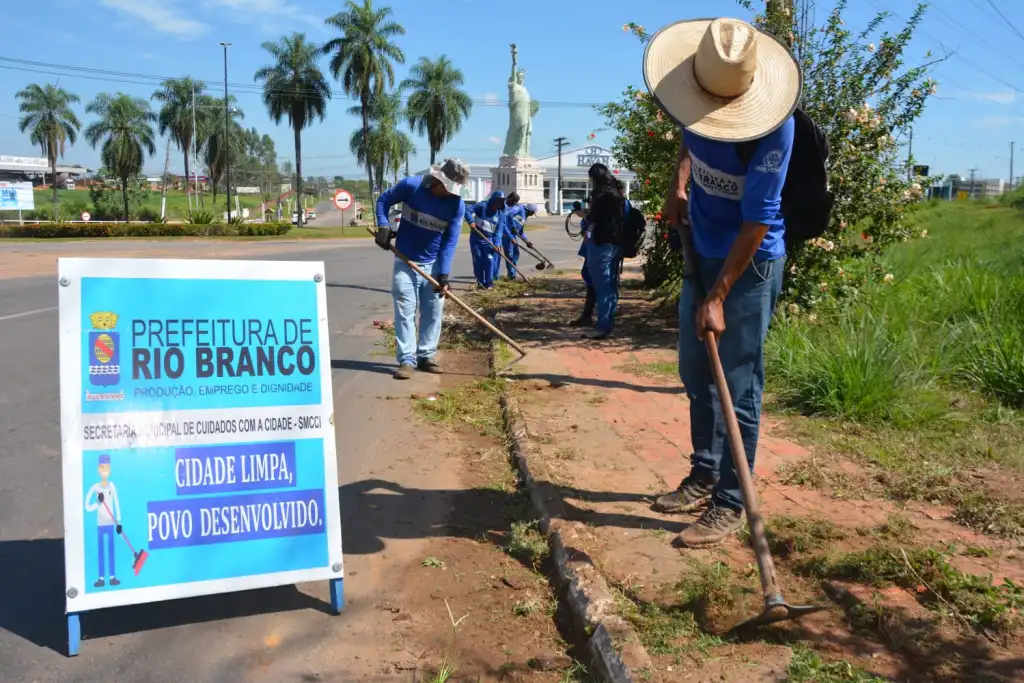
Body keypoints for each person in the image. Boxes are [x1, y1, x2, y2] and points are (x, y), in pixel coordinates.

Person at [644, 17, 798, 547]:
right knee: (694, 369)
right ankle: (705, 472)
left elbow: (757, 222)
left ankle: (731, 501)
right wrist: (678, 184)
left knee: (737, 383)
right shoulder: (695, 94)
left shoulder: (773, 129)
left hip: (749, 264)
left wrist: (718, 295)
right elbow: (690, 139)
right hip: (702, 249)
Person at [375, 159, 469, 379]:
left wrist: (443, 273)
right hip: (405, 261)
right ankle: (407, 359)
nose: (450, 193)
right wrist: (383, 225)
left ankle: (426, 356)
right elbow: (383, 201)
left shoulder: (456, 205)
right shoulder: (411, 186)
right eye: (448, 187)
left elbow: (450, 241)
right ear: (438, 180)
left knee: (433, 312)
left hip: (433, 265)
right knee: (405, 310)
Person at [582, 163, 625, 340]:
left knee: (601, 287)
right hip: (616, 244)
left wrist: (585, 215)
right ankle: (607, 323)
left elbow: (594, 218)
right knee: (611, 285)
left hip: (601, 244)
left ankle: (602, 327)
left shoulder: (600, 194)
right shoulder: (616, 192)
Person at [84, 454, 121, 588]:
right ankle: (101, 578)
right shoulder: (95, 488)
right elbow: (87, 507)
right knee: (101, 551)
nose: (105, 470)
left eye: (107, 467)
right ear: (99, 469)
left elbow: (116, 503)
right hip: (100, 524)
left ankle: (112, 577)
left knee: (111, 550)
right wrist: (98, 503)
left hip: (111, 523)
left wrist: (119, 522)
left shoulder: (112, 487)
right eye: (103, 467)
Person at [466, 190, 507, 290]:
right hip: (476, 239)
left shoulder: (500, 214)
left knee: (490, 260)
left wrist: (497, 243)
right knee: (478, 261)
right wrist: (471, 221)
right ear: (493, 200)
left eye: (500, 202)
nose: (498, 205)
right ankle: (480, 283)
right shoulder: (482, 206)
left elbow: (499, 231)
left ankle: (489, 283)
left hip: (489, 240)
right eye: (497, 202)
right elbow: (467, 209)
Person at [502, 192, 527, 280]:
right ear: (509, 199)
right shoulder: (503, 206)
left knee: (516, 253)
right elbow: (503, 222)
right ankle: (511, 274)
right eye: (513, 202)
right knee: (509, 254)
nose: (513, 204)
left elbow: (518, 225)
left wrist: (526, 240)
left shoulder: (516, 208)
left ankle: (512, 272)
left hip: (512, 234)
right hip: (505, 234)